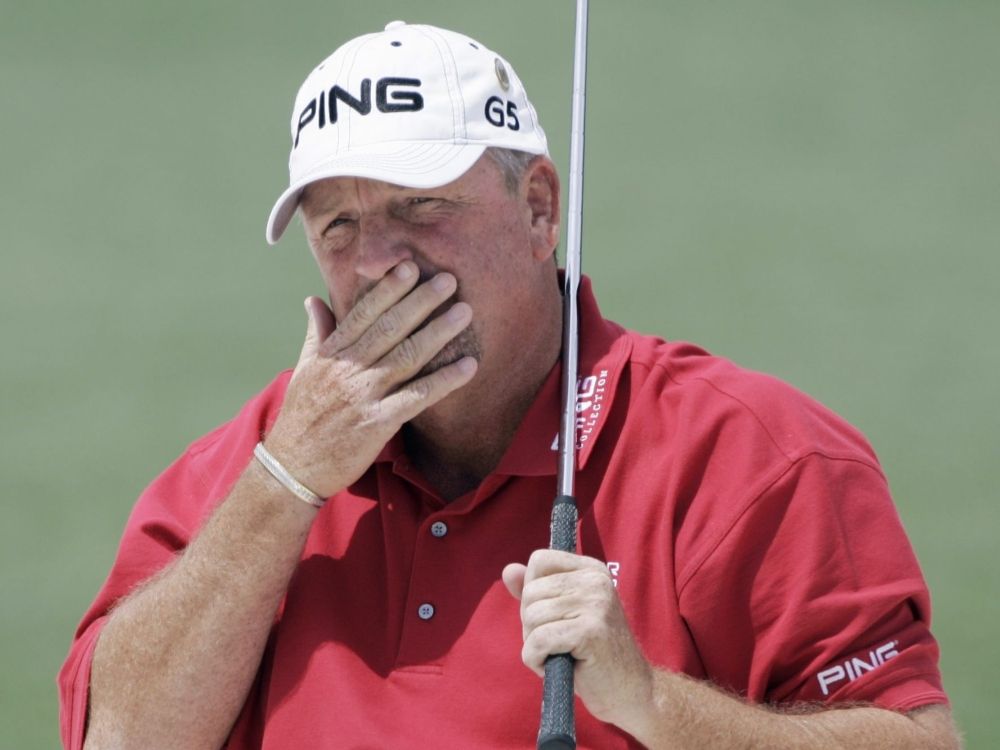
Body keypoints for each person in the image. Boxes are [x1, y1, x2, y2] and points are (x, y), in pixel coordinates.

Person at [59, 21, 960, 750]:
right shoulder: (247, 471)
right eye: (338, 225)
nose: (377, 264)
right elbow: (121, 737)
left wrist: (651, 704)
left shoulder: (754, 455)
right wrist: (288, 481)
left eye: (422, 208)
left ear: (539, 209)